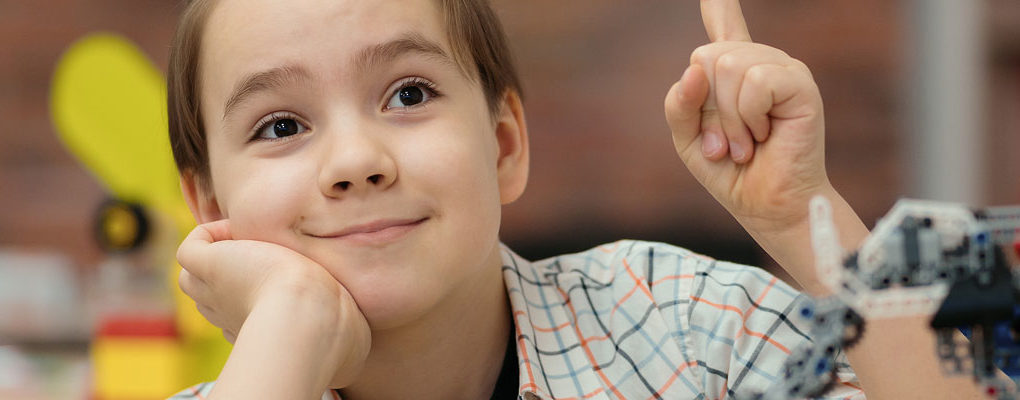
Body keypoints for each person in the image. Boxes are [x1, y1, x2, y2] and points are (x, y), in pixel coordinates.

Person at [165, 0, 987, 399]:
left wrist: (799, 213)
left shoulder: (693, 333)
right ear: (209, 206)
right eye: (280, 124)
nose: (355, 161)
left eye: (409, 94)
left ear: (504, 146)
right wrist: (294, 326)